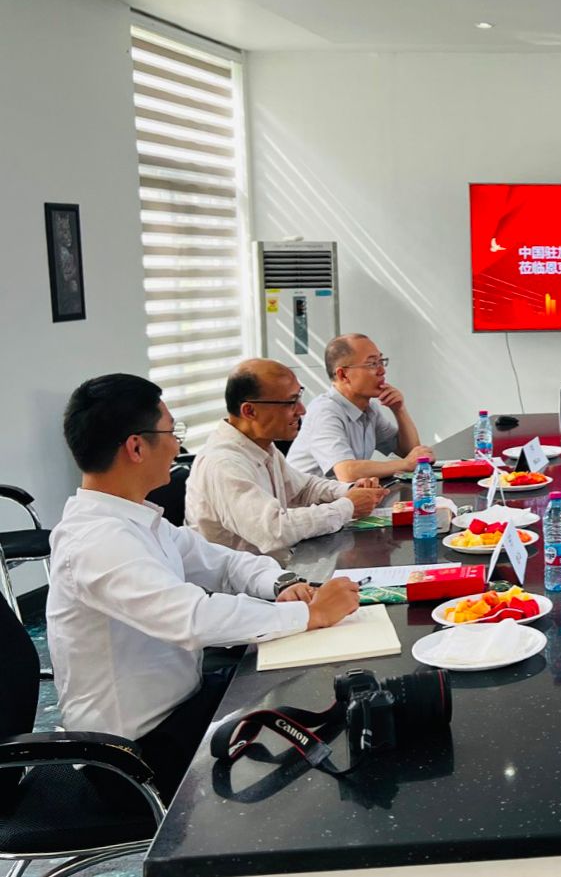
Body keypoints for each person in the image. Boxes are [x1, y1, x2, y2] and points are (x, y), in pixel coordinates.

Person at [47, 374, 360, 799]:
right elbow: (194, 618)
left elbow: (224, 563)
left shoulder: (136, 519)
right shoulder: (96, 541)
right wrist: (310, 614)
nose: (177, 446)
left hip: (182, 706)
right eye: (171, 432)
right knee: (314, 756)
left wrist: (283, 583)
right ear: (136, 447)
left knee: (321, 696)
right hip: (132, 757)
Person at [186, 359, 389, 554]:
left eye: (299, 398)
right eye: (291, 402)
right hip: (245, 577)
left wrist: (350, 490)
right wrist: (348, 506)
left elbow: (305, 488)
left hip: (277, 566)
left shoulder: (262, 446)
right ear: (249, 411)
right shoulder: (224, 463)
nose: (301, 410)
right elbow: (274, 530)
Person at [286, 334, 434, 479]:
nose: (382, 371)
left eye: (381, 361)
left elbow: (410, 452)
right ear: (343, 375)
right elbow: (347, 472)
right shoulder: (325, 411)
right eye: (372, 364)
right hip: (305, 496)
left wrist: (399, 410)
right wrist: (405, 464)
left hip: (342, 494)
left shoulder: (369, 409)